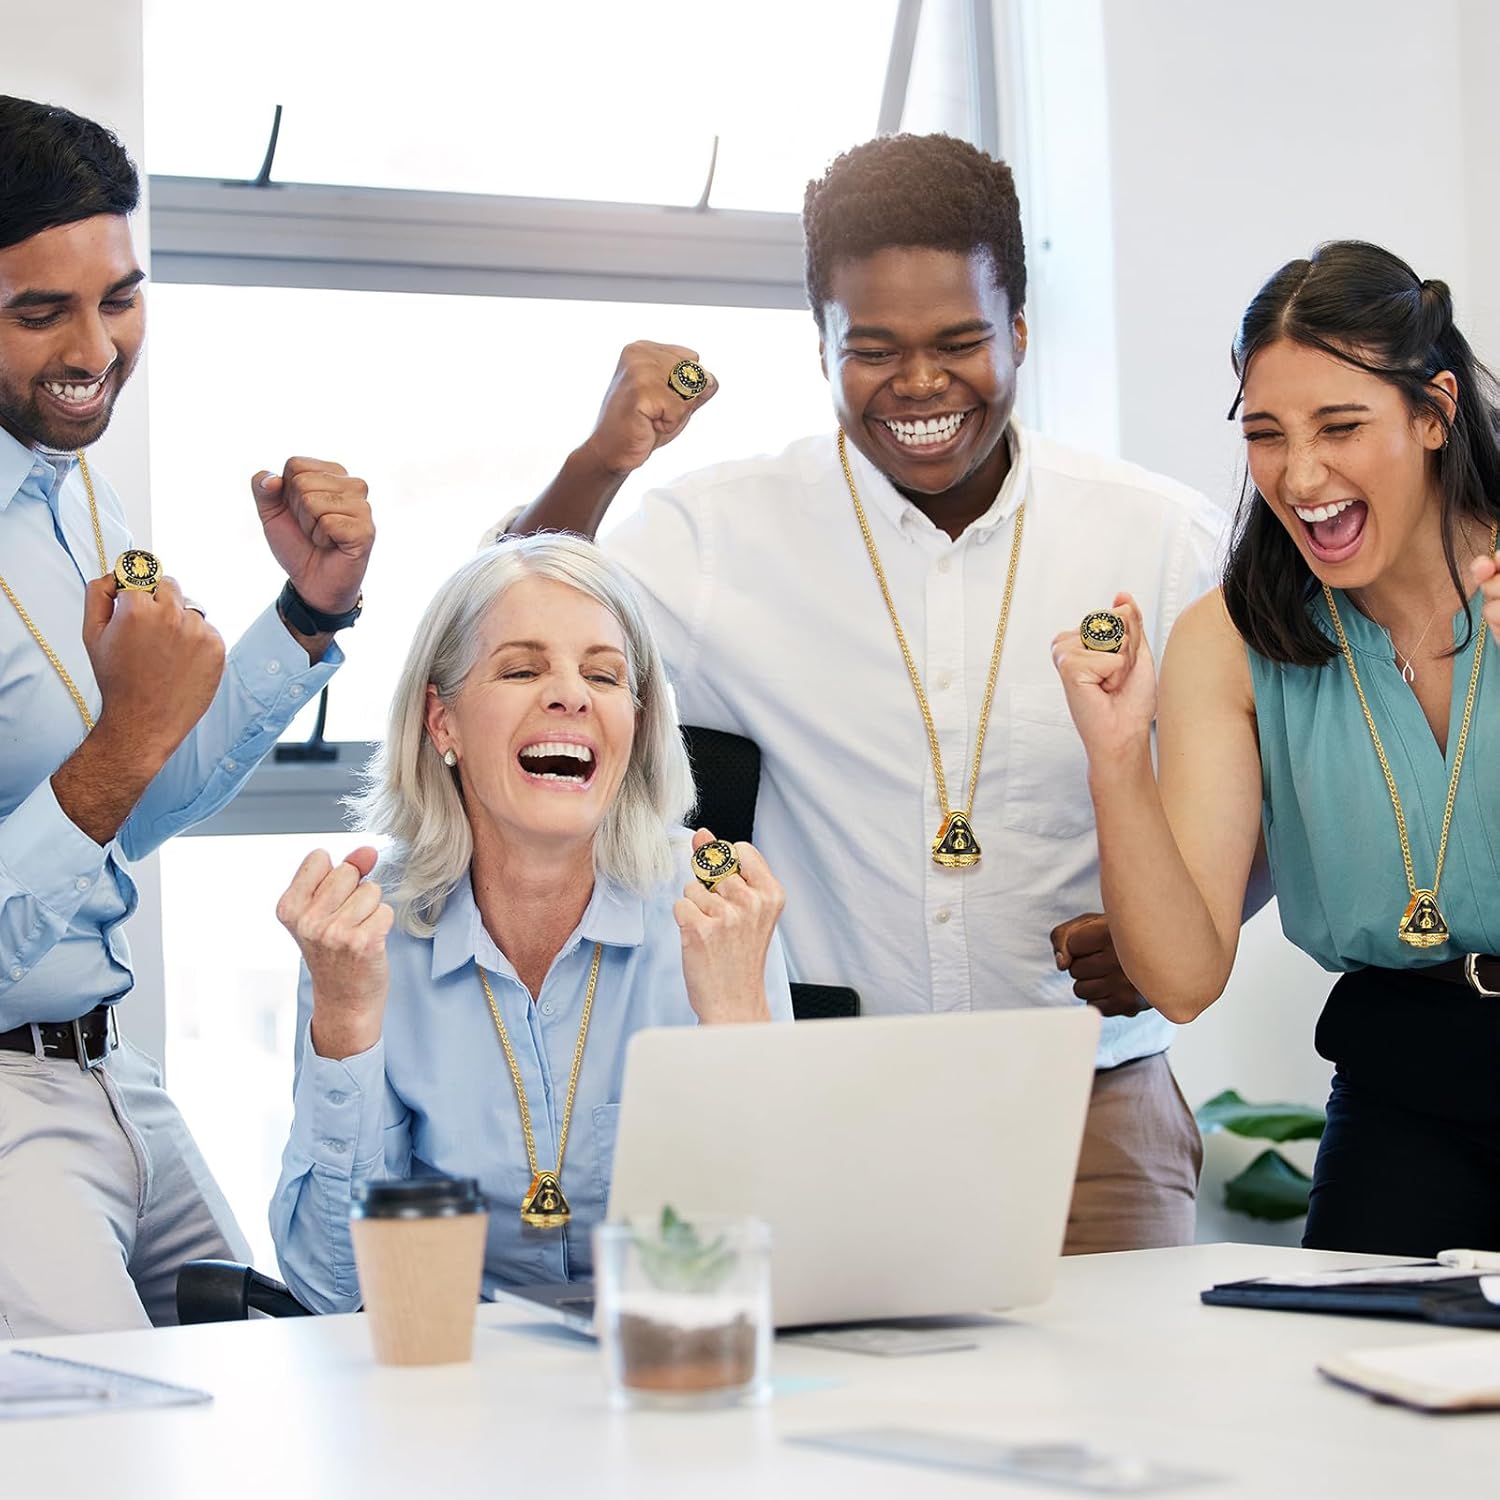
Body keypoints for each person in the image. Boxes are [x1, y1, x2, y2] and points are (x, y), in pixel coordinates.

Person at [499, 134, 1225, 1253]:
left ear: (1019, 333)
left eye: (962, 342)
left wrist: (1181, 925)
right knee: (828, 1428)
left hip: (1092, 1116)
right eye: (873, 348)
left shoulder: (1158, 536)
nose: (922, 385)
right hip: (828, 1107)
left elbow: (1260, 791)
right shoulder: (717, 535)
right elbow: (497, 625)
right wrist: (601, 461)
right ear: (823, 345)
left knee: (1130, 1426)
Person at [0, 97, 375, 1337]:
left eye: (120, 296)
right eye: (38, 311)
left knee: (301, 1368)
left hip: (115, 1076)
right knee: (116, 1456)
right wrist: (118, 745)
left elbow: (140, 805)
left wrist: (307, 615)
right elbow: (118, 768)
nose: (97, 349)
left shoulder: (73, 498)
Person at [1051, 240, 1500, 1256]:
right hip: (1404, 1088)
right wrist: (1119, 757)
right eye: (1266, 434)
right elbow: (1183, 976)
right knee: (1356, 1398)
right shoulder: (1232, 637)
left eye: (1342, 427)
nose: (1301, 476)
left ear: (1433, 413)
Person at [270, 535, 792, 1310]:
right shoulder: (364, 929)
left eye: (604, 675)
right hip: (459, 1378)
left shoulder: (716, 908)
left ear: (637, 724)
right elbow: (329, 1289)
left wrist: (737, 1017)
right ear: (441, 723)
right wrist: (345, 1016)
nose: (571, 695)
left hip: (669, 1352)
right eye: (521, 669)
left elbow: (785, 1261)